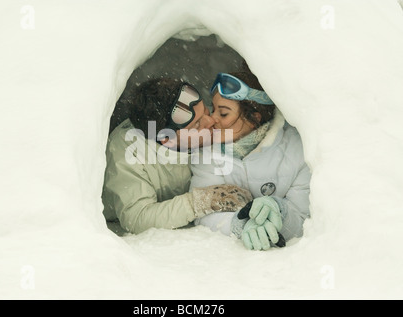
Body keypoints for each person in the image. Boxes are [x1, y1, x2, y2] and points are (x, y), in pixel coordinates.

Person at [102, 77, 253, 234]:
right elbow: (137, 218)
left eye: (206, 111)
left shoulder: (189, 118)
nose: (211, 121)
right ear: (167, 139)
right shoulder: (128, 153)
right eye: (197, 124)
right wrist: (198, 202)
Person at [190, 67, 311, 251]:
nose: (212, 119)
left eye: (223, 113)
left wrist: (279, 211)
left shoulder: (298, 151)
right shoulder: (206, 153)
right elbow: (203, 212)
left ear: (254, 118)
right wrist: (239, 224)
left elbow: (303, 217)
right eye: (213, 109)